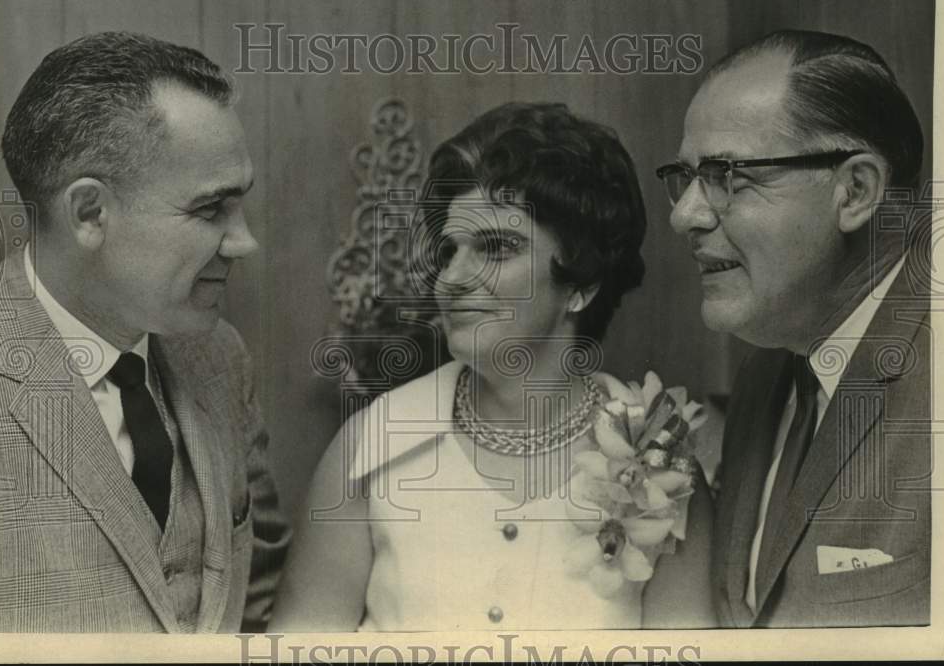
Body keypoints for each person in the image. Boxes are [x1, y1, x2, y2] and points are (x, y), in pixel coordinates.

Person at [270, 102, 715, 631]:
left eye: (496, 249)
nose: (451, 279)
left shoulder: (664, 460)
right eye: (449, 251)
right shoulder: (371, 447)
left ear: (580, 284)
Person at [0, 31, 291, 632]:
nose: (245, 241)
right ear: (89, 213)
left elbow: (259, 591)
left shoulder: (219, 357)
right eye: (210, 210)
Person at [657, 29, 930, 627]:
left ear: (855, 191)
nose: (684, 215)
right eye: (686, 177)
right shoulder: (766, 377)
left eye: (727, 175)